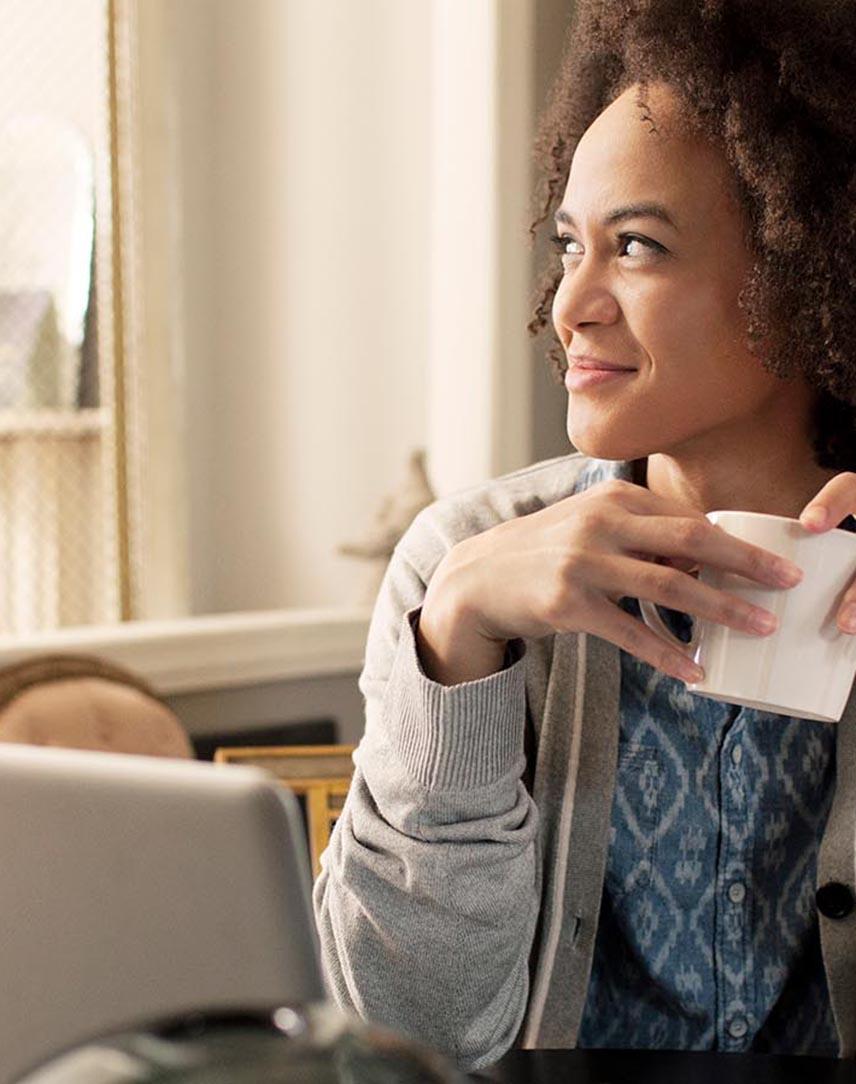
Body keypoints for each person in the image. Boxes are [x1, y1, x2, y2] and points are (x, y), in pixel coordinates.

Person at [313, 0, 856, 1071]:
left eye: (637, 246)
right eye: (569, 245)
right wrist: (454, 649)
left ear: (810, 267)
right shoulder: (462, 558)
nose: (571, 303)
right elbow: (399, 1035)